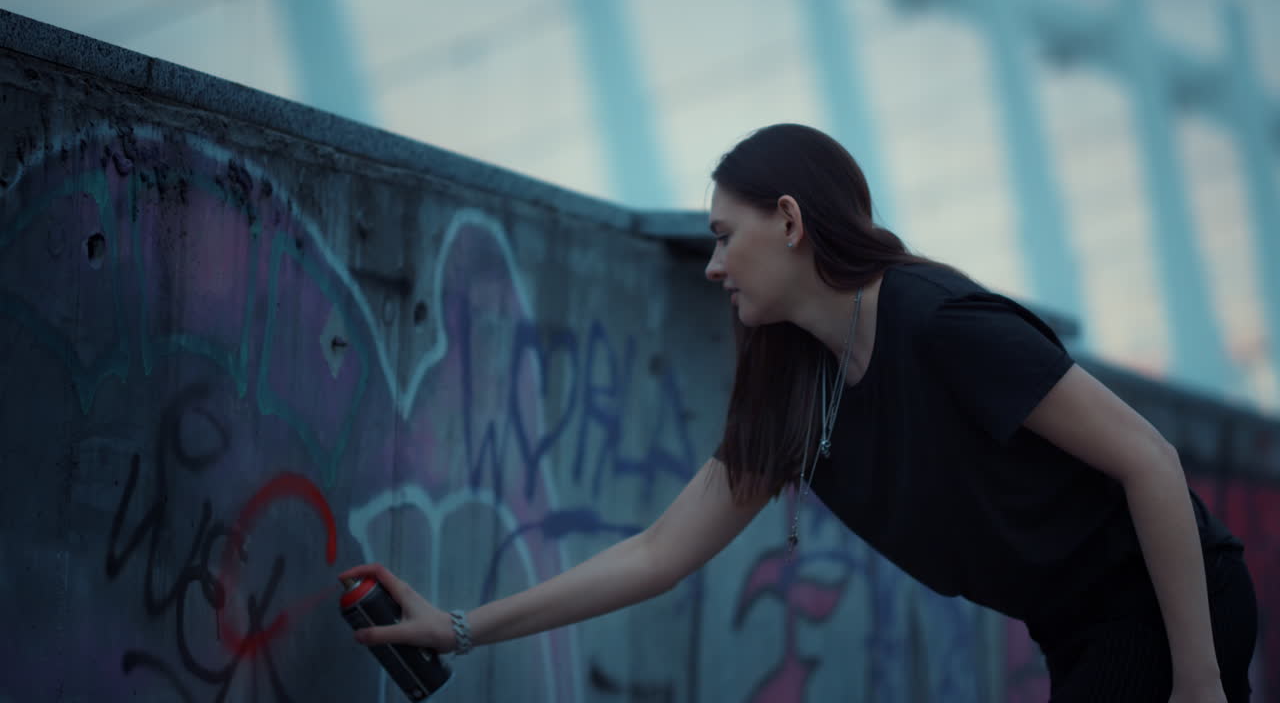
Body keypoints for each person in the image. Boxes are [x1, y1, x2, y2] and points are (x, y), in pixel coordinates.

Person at [339, 123, 1258, 702]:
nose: (712, 266)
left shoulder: (940, 324)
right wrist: (459, 627)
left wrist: (1201, 680)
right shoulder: (799, 398)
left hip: (1167, 603)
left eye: (723, 236)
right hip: (1075, 630)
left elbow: (1150, 460)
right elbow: (655, 555)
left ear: (788, 220)